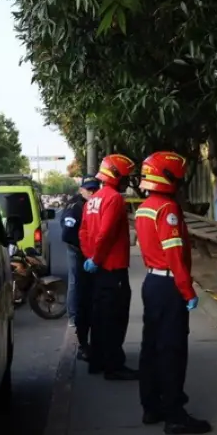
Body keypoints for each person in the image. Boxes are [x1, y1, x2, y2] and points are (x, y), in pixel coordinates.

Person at [134, 151, 211, 435]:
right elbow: (175, 255)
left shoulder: (144, 207)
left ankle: (151, 406)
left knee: (151, 348)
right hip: (168, 286)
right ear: (169, 176)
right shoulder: (167, 209)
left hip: (152, 284)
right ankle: (175, 414)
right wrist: (187, 290)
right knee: (172, 350)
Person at [79, 154, 137, 381]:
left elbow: (83, 231)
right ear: (116, 175)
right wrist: (98, 257)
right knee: (115, 318)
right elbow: (106, 233)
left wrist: (90, 257)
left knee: (100, 317)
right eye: (125, 176)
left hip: (98, 268)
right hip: (113, 268)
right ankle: (114, 365)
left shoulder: (93, 199)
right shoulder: (114, 199)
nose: (127, 181)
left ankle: (98, 361)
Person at [62, 176, 100, 360]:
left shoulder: (95, 204)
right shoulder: (75, 206)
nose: (92, 193)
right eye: (88, 189)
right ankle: (73, 316)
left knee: (88, 289)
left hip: (90, 252)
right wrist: (84, 248)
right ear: (81, 189)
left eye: (94, 189)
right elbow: (68, 234)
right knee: (76, 282)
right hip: (77, 250)